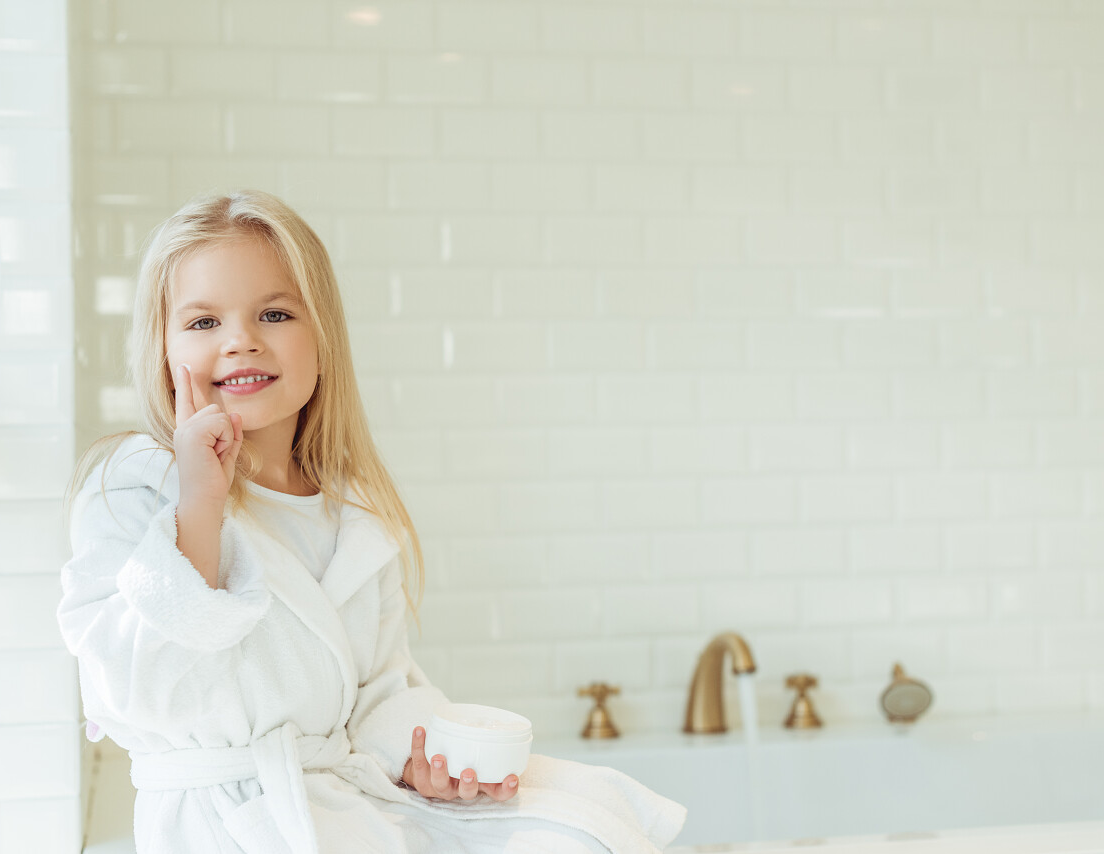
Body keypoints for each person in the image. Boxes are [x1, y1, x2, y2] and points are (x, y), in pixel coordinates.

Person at [57, 189, 686, 853]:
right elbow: (127, 691)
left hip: (340, 812)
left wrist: (428, 757)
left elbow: (378, 695)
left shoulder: (351, 513)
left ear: (323, 342)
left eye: (274, 313)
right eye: (204, 322)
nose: (240, 341)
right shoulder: (133, 485)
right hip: (216, 826)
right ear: (162, 349)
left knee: (580, 833)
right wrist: (199, 506)